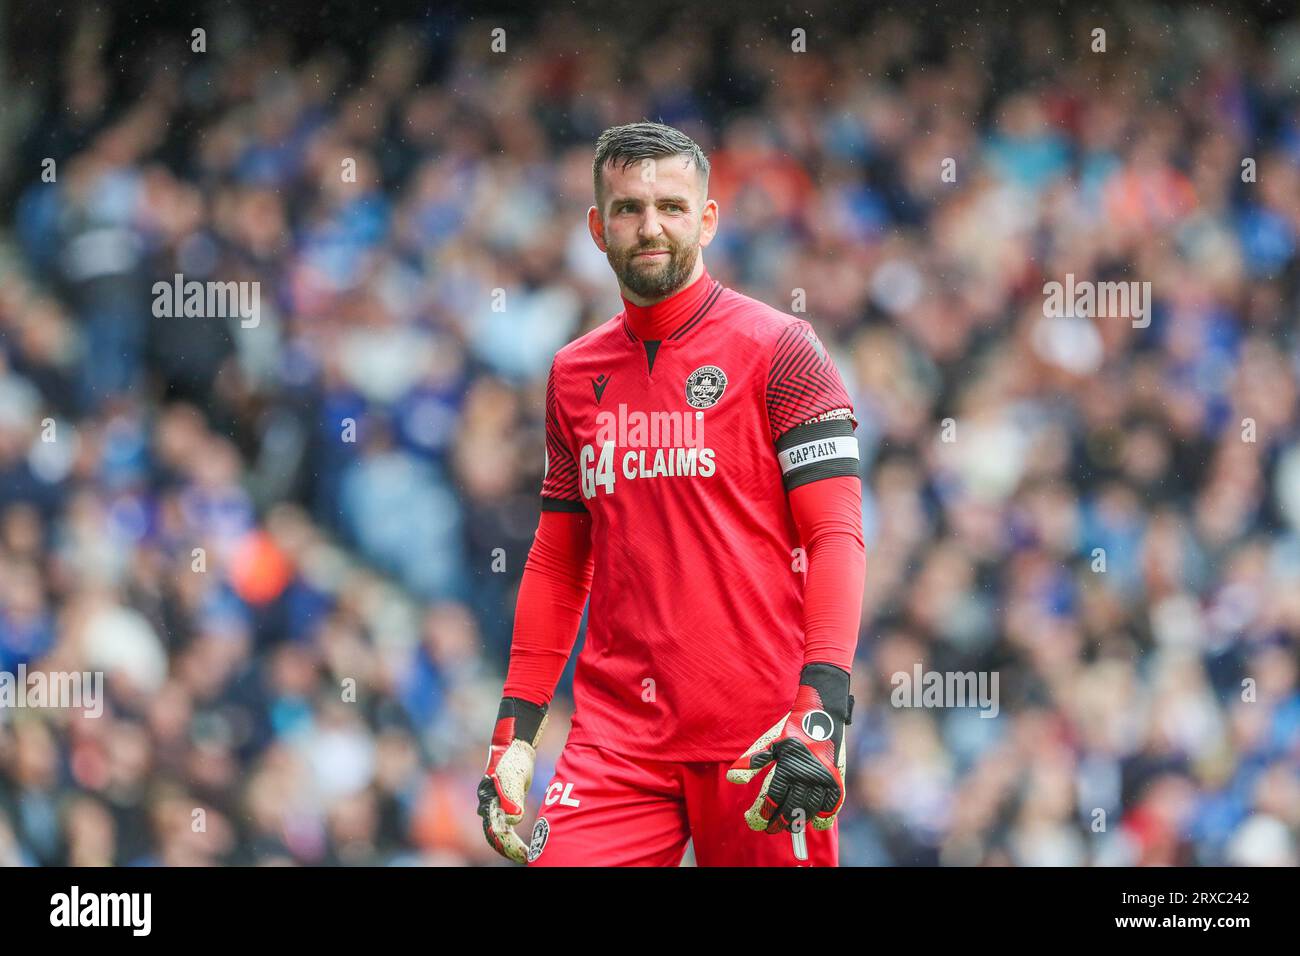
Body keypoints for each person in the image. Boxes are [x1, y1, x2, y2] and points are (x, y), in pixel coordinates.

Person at [476, 122, 866, 866]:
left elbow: (836, 537)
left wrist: (821, 711)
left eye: (672, 207)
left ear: (708, 219)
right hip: (616, 739)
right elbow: (559, 561)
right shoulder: (570, 373)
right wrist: (514, 734)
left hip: (761, 735)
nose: (649, 226)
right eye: (627, 208)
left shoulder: (784, 350)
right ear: (597, 227)